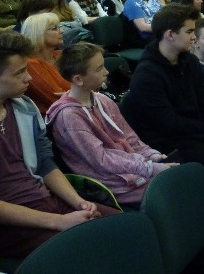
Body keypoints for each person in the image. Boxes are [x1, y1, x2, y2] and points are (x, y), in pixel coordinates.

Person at [0, 31, 117, 258]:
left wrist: (78, 202)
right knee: (95, 248)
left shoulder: (24, 107)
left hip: (46, 202)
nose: (29, 78)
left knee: (122, 227)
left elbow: (45, 165)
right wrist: (59, 222)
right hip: (5, 226)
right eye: (20, 72)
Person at [121, 4, 204, 224]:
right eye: (188, 32)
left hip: (192, 131)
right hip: (168, 144)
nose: (193, 37)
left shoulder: (189, 61)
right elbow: (167, 124)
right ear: (170, 35)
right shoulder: (147, 74)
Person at [46, 42, 177, 205]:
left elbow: (129, 137)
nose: (106, 72)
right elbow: (101, 160)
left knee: (181, 177)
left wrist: (152, 156)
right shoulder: (69, 116)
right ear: (78, 79)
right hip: (112, 184)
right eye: (99, 68)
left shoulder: (103, 99)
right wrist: (149, 168)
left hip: (133, 171)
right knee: (175, 191)